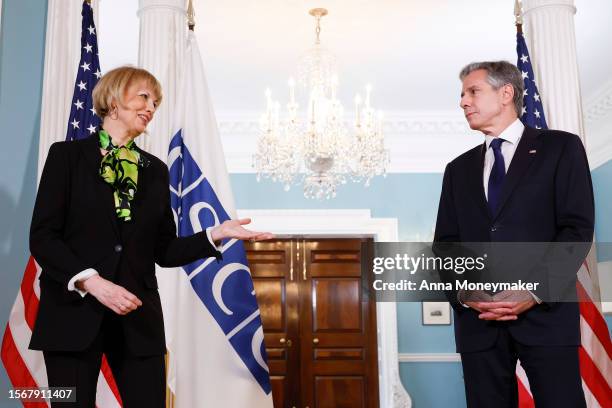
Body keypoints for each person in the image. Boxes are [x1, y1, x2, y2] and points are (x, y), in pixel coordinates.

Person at [28, 66, 273, 407]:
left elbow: (165, 250)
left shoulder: (155, 169)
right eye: (144, 96)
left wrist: (213, 234)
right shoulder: (65, 157)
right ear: (113, 100)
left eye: (155, 102)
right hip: (73, 315)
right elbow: (43, 237)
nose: (151, 107)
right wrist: (92, 282)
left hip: (138, 320)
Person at [434, 61, 594, 407]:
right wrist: (465, 293)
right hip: (479, 323)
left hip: (546, 316)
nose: (463, 101)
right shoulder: (457, 170)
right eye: (462, 94)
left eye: (472, 91)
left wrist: (533, 291)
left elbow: (576, 228)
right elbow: (446, 245)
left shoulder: (560, 148)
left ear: (506, 93)